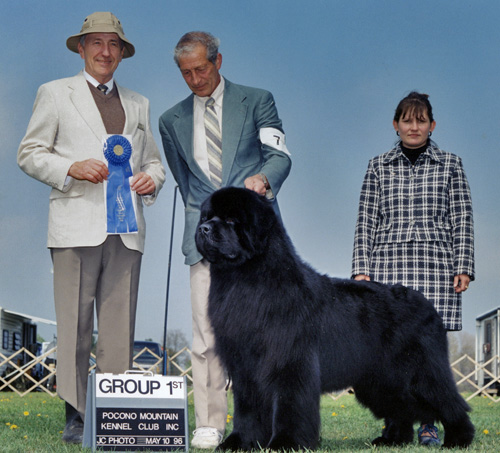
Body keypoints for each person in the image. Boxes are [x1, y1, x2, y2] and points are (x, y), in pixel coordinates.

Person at [17, 12, 165, 444]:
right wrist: (70, 167)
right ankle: (77, 415)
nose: (105, 51)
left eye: (113, 44)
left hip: (127, 230)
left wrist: (150, 179)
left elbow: (153, 161)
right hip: (74, 229)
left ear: (122, 53)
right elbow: (30, 153)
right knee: (76, 325)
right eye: (96, 43)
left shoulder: (138, 104)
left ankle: (114, 412)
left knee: (120, 329)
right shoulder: (54, 93)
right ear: (81, 48)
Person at [159, 31, 292, 449]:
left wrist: (263, 179)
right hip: (207, 242)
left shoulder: (257, 100)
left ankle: (265, 422)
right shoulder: (170, 120)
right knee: (206, 334)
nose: (195, 79)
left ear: (219, 61)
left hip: (255, 240)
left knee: (266, 333)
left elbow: (279, 155)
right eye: (186, 73)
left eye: (201, 69)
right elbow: (185, 183)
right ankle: (210, 423)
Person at [351, 91, 474, 446]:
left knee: (428, 356)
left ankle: (430, 425)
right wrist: (361, 269)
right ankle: (396, 427)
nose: (414, 126)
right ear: (396, 124)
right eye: (407, 119)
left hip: (436, 266)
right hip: (388, 269)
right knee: (386, 355)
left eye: (421, 120)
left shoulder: (451, 164)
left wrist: (463, 265)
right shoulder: (377, 165)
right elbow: (365, 221)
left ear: (432, 126)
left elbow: (462, 219)